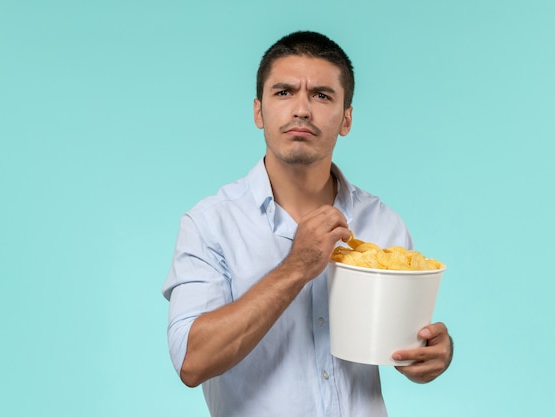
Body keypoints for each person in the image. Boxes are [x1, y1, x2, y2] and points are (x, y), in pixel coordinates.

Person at [162, 30, 453, 417]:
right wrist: (297, 266)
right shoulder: (209, 224)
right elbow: (191, 362)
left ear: (346, 118)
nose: (301, 109)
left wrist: (431, 354)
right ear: (258, 111)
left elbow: (403, 346)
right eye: (283, 92)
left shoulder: (383, 223)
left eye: (321, 95)